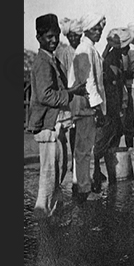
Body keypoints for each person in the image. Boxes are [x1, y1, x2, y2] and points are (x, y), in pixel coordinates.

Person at [28, 13, 86, 218]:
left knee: (58, 168)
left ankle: (54, 210)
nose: (54, 40)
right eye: (49, 37)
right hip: (48, 124)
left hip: (56, 122)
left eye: (56, 36)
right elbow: (45, 95)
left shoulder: (51, 59)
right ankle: (43, 216)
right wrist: (71, 93)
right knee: (49, 173)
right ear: (39, 38)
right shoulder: (43, 62)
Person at [68, 13, 107, 203]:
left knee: (83, 147)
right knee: (83, 147)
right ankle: (82, 189)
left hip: (87, 103)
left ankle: (80, 183)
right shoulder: (84, 49)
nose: (99, 32)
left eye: (100, 28)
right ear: (86, 30)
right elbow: (88, 80)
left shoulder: (90, 48)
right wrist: (97, 106)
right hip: (85, 104)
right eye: (95, 29)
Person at [91, 28, 134, 192]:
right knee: (103, 141)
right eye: (126, 46)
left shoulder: (115, 58)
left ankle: (111, 175)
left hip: (114, 106)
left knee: (113, 140)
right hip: (109, 106)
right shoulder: (110, 59)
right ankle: (97, 173)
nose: (128, 49)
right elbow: (110, 84)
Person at [55, 17, 83, 173]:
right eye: (70, 35)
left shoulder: (83, 50)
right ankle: (72, 161)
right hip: (71, 94)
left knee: (82, 129)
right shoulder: (64, 53)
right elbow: (61, 75)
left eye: (76, 35)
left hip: (82, 95)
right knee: (72, 128)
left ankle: (79, 163)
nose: (73, 38)